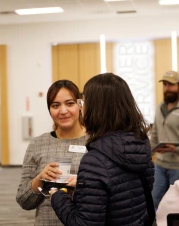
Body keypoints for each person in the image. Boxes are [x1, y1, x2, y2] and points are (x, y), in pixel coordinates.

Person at [50, 73, 155, 225]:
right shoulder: (140, 144)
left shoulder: (95, 161)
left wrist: (57, 196)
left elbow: (84, 223)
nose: (81, 108)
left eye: (83, 102)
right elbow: (128, 194)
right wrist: (88, 185)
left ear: (96, 108)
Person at [16, 79, 87, 226]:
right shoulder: (38, 144)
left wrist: (83, 183)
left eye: (69, 103)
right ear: (49, 110)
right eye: (55, 105)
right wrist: (40, 179)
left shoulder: (96, 142)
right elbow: (24, 200)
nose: (63, 111)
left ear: (80, 105)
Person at [150, 70, 179, 210]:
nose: (167, 88)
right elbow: (154, 134)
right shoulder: (159, 107)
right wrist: (148, 153)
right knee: (155, 199)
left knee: (176, 205)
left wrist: (176, 149)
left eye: (171, 85)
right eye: (165, 84)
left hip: (177, 166)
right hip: (159, 165)